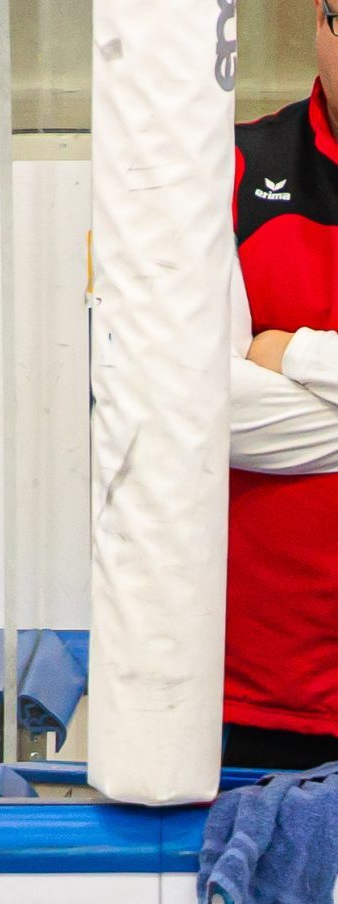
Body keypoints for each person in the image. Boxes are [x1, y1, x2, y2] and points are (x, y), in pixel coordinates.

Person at [227, 0, 338, 769]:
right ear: (319, 20)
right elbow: (189, 402)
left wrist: (288, 352)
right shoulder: (234, 170)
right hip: (266, 695)